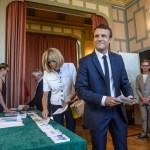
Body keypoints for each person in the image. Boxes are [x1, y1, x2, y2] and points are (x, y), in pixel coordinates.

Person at [75, 24, 134, 150]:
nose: (100, 38)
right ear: (93, 39)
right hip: (97, 112)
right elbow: (80, 90)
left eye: (103, 36)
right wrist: (103, 100)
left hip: (118, 111)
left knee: (122, 147)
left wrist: (129, 95)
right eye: (97, 36)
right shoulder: (85, 61)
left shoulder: (118, 59)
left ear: (110, 39)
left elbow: (125, 82)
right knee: (99, 148)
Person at [42, 48, 76, 132]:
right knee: (57, 129)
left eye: (53, 61)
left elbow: (76, 87)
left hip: (70, 103)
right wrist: (45, 109)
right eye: (49, 62)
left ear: (58, 58)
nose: (51, 64)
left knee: (71, 128)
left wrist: (70, 99)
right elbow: (45, 95)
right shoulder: (46, 73)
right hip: (55, 105)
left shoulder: (70, 66)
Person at [135, 59, 150, 139]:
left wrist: (147, 98)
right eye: (144, 65)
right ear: (141, 67)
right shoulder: (138, 77)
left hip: (149, 100)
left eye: (147, 65)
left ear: (149, 66)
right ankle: (144, 134)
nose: (145, 67)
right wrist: (142, 98)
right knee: (144, 118)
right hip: (141, 101)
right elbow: (137, 88)